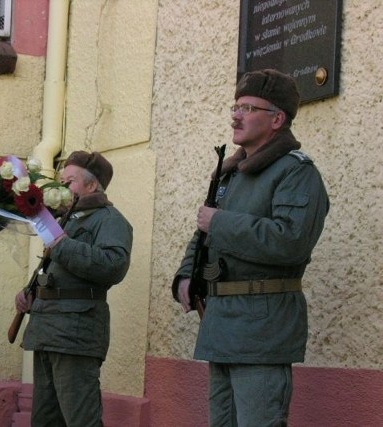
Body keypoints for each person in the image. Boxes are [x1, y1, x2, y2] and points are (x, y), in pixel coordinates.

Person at [172, 69, 330, 426]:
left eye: (248, 107)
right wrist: (186, 276)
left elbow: (290, 241)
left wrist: (220, 223)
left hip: (263, 328)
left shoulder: (296, 173)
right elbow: (202, 233)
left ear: (277, 119)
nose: (236, 114)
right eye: (236, 105)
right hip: (222, 324)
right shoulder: (231, 173)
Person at [15, 151, 133, 427]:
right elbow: (57, 271)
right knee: (45, 420)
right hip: (47, 328)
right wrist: (31, 292)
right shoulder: (67, 218)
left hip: (75, 333)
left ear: (92, 185)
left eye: (69, 181)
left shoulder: (109, 219)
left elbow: (113, 266)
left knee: (81, 419)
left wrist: (62, 244)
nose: (61, 188)